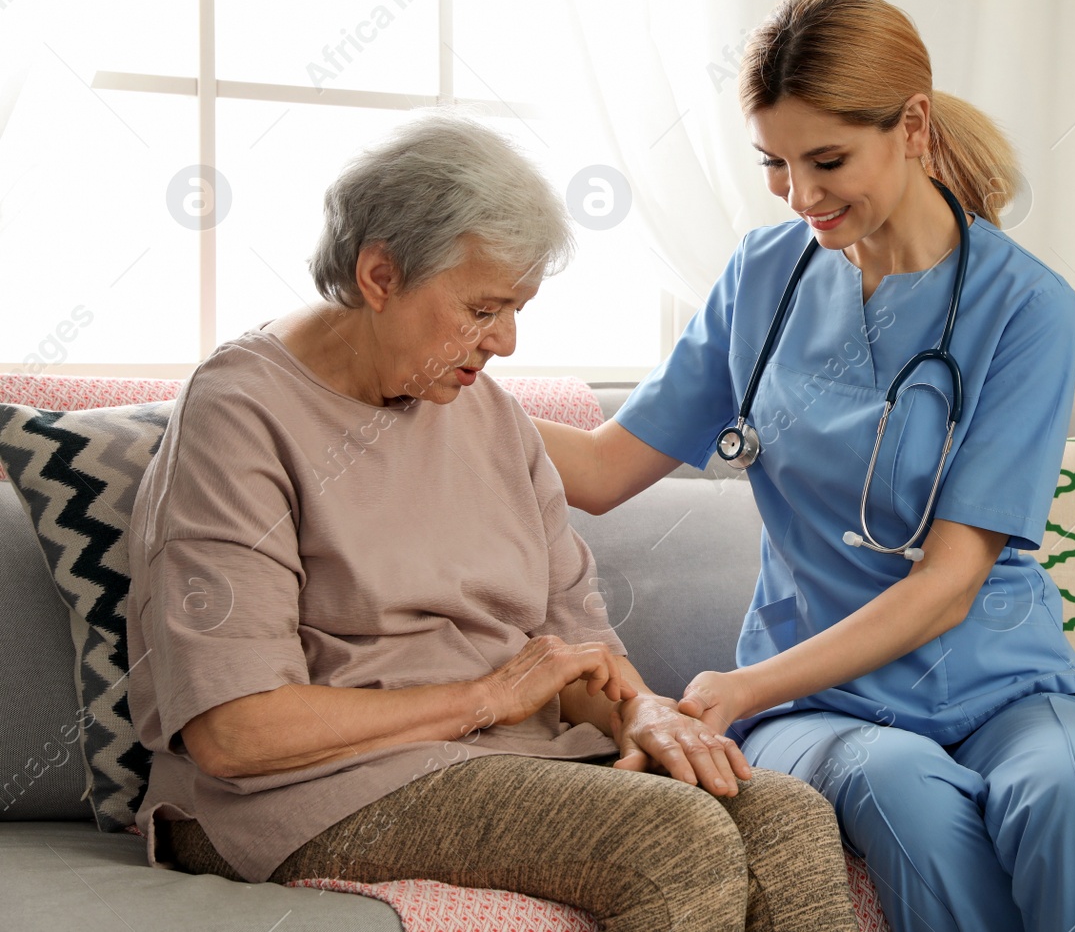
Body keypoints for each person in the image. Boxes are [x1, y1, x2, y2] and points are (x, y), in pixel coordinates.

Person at [533, 0, 1075, 931]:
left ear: (911, 125)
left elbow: (951, 583)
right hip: (819, 699)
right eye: (776, 164)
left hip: (1006, 681)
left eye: (827, 160)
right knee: (903, 785)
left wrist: (737, 687)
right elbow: (598, 466)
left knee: (1073, 790)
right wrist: (441, 380)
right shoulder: (762, 277)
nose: (801, 196)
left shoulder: (1028, 307)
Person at [125, 111, 858, 932]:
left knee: (786, 815)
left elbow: (579, 651)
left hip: (500, 760)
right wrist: (485, 696)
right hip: (307, 789)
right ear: (379, 275)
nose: (505, 340)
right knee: (671, 837)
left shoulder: (491, 417)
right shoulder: (241, 414)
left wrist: (640, 711)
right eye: (483, 308)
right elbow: (237, 732)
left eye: (515, 308)